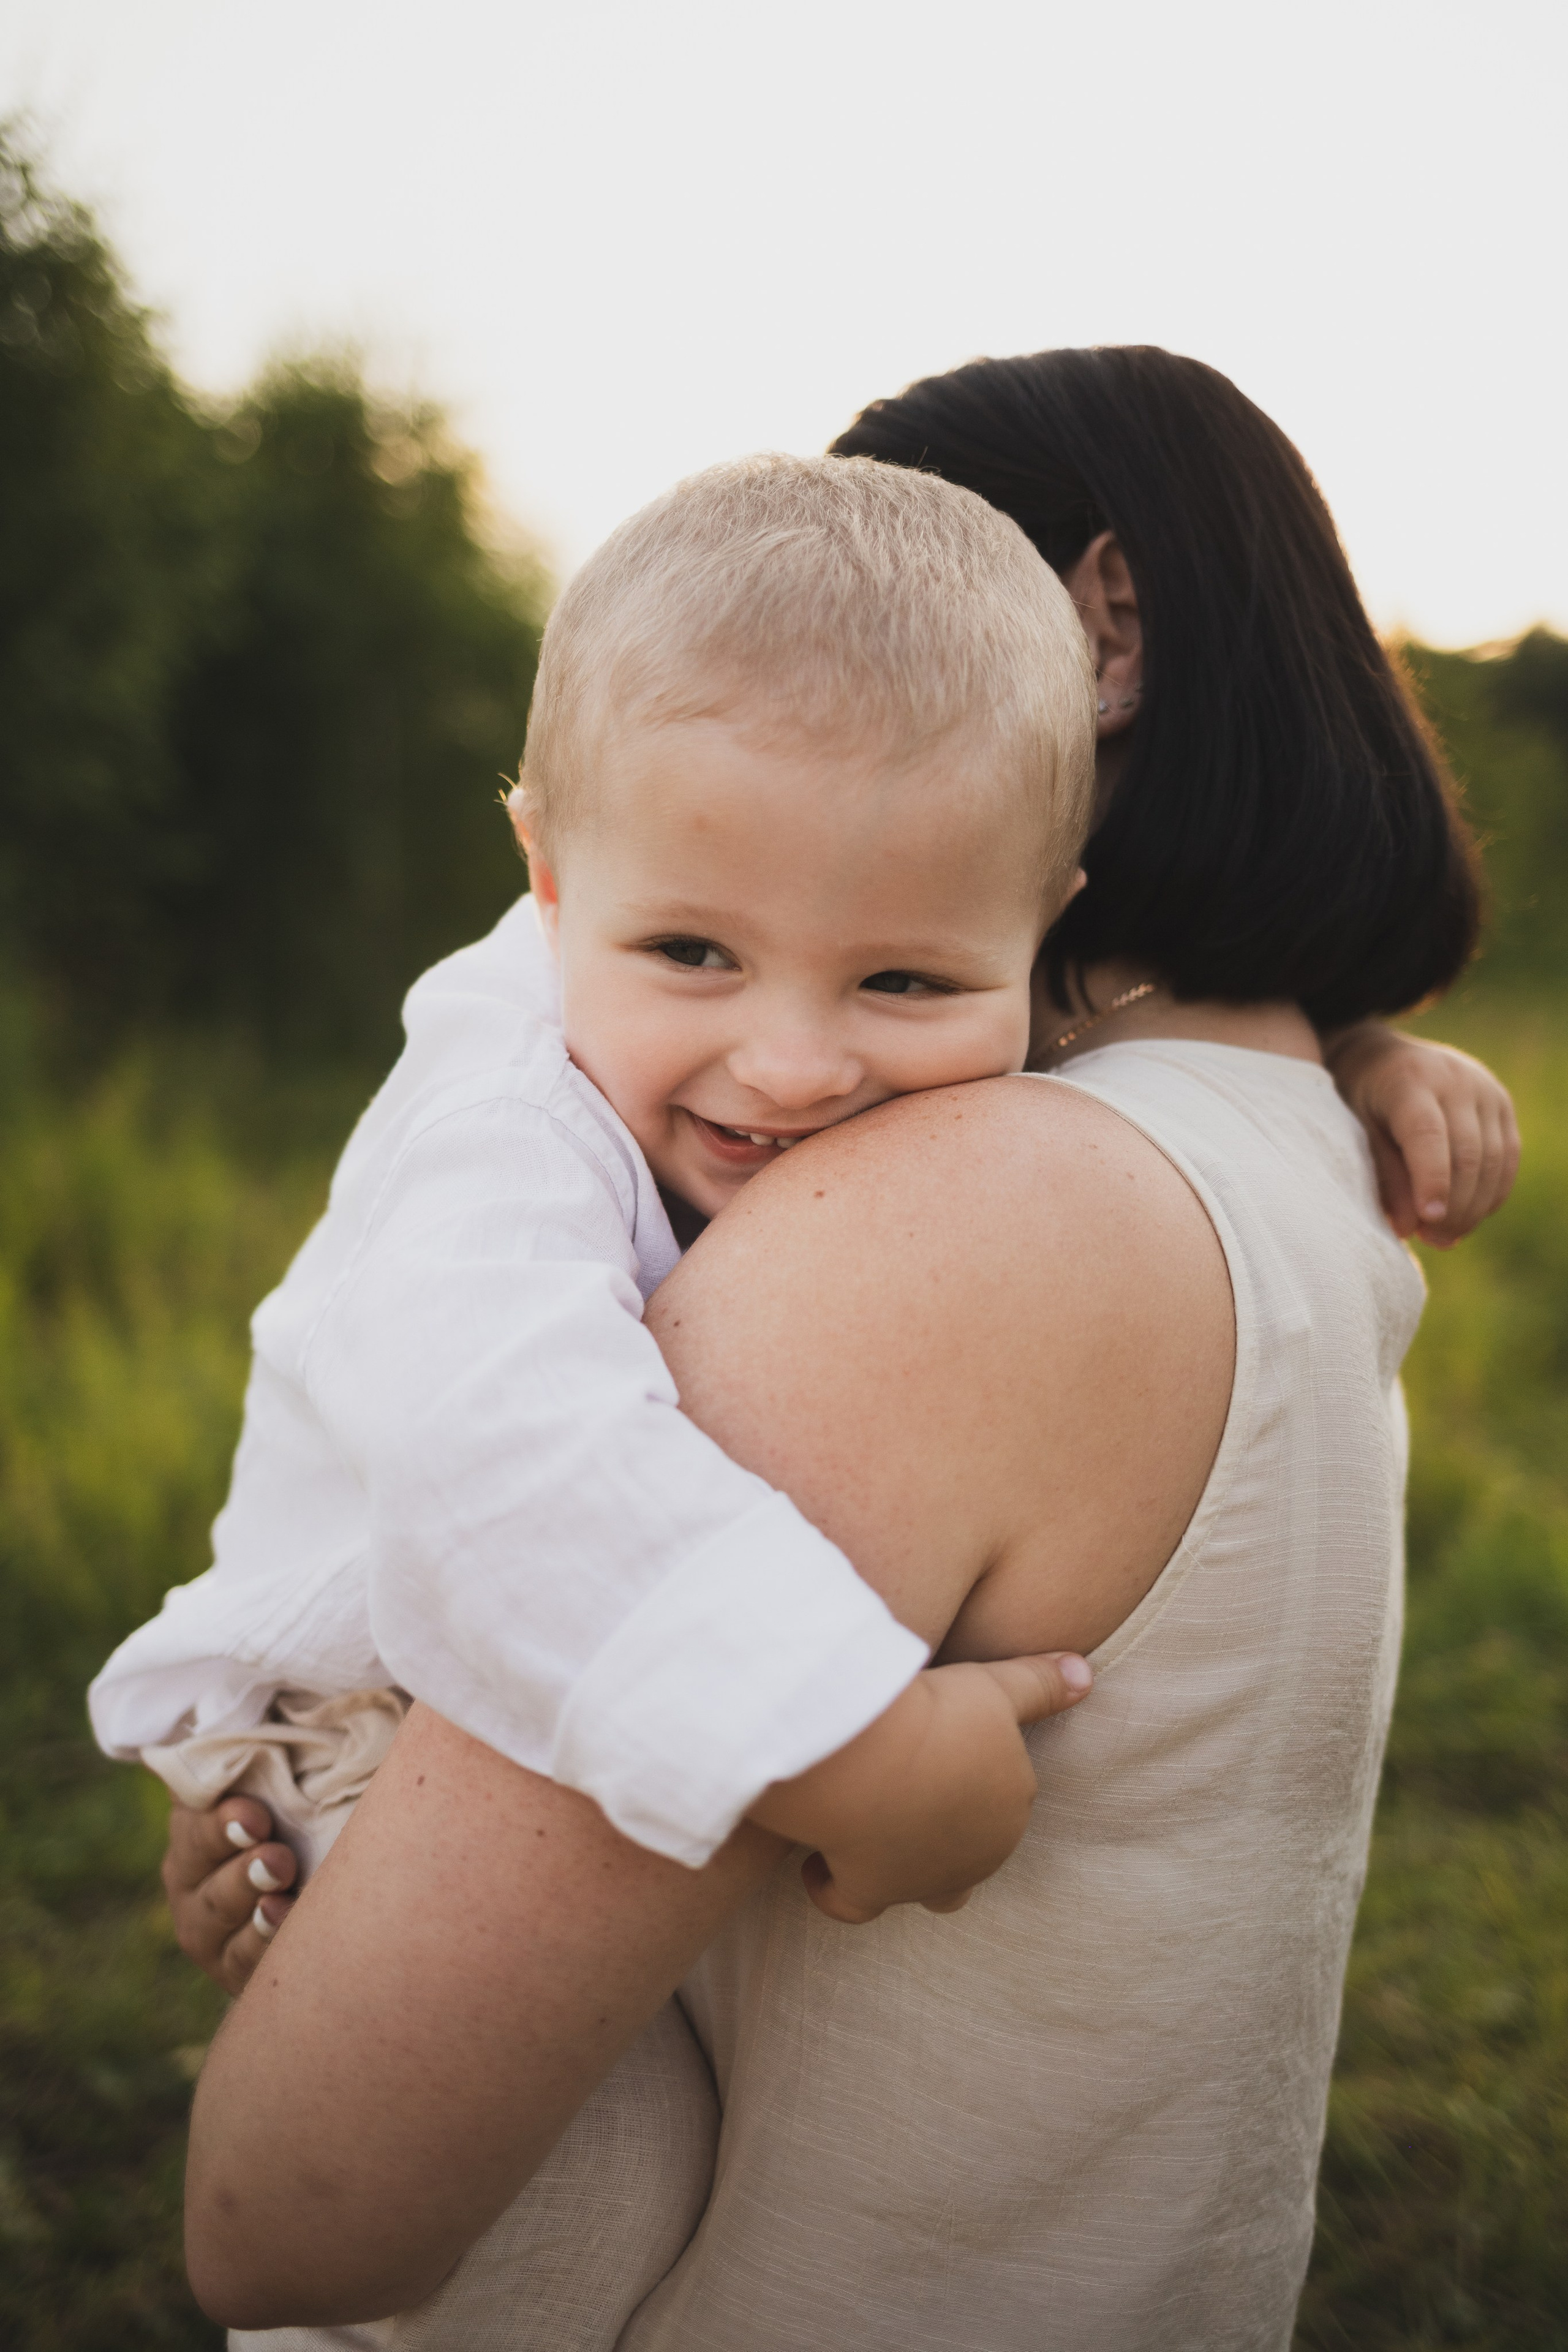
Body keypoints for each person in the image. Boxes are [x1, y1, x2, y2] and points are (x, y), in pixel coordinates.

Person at [179, 349, 1518, 2351]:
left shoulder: (949, 1209)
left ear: (1104, 634)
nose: (793, 1054)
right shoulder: (1270, 1148)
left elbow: (290, 2223)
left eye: (902, 976)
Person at [91, 453, 1111, 1936]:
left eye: (905, 979)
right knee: (566, 2170)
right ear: (548, 878)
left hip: (577, 1669)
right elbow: (490, 1462)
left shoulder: (709, 965)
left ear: (1044, 930)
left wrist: (1359, 1054)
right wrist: (839, 1740)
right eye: (694, 955)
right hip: (361, 1742)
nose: (791, 1065)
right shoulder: (501, 1124)